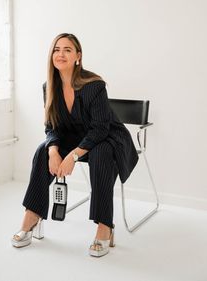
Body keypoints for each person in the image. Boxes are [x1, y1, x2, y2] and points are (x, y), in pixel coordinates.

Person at [11, 33, 139, 257]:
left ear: (78, 56)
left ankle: (105, 226)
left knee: (101, 154)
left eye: (67, 50)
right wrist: (53, 151)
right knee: (42, 151)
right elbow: (51, 125)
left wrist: (73, 156)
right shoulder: (48, 86)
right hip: (75, 137)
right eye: (56, 49)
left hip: (107, 137)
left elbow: (100, 128)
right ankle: (32, 216)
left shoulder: (95, 85)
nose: (60, 54)